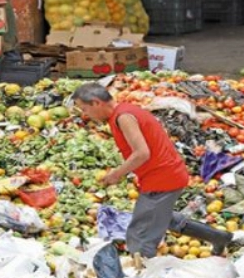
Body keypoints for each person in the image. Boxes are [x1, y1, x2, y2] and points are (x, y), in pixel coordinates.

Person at [72, 83, 232, 267]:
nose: (86, 114)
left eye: (85, 109)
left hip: (162, 178)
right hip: (166, 174)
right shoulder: (125, 111)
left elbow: (142, 153)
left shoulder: (124, 117)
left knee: (140, 235)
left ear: (96, 103)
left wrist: (116, 174)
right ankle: (219, 237)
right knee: (161, 217)